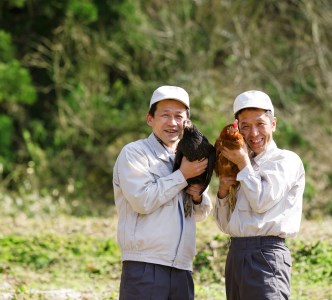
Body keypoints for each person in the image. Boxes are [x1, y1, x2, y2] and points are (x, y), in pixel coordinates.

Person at [112, 85, 213, 300]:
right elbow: (142, 201)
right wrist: (182, 176)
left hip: (182, 267)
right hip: (144, 265)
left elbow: (202, 213)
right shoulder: (135, 153)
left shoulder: (190, 154)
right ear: (150, 119)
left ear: (188, 121)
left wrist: (197, 196)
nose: (173, 123)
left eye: (179, 116)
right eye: (165, 115)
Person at [214, 90, 305, 300]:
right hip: (236, 255)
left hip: (267, 255)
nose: (253, 133)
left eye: (260, 124)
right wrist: (222, 192)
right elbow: (226, 226)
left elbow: (262, 201)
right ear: (237, 127)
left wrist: (243, 163)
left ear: (273, 123)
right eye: (245, 126)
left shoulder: (286, 160)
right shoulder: (238, 165)